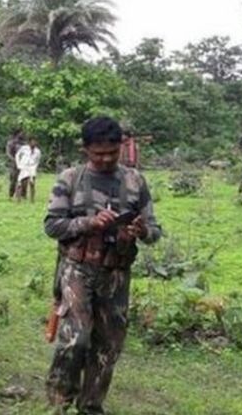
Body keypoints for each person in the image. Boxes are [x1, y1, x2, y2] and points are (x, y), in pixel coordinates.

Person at [44, 116, 162, 414]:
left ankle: (91, 405)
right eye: (99, 154)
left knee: (108, 345)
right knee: (76, 337)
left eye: (113, 152)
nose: (107, 159)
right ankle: (59, 400)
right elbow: (52, 225)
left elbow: (154, 230)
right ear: (86, 150)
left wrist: (141, 231)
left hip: (117, 272)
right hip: (78, 268)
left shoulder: (135, 181)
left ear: (121, 146)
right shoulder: (70, 179)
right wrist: (89, 223)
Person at [15, 138, 42, 203]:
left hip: (32, 167)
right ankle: (18, 199)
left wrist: (35, 167)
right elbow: (17, 155)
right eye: (32, 142)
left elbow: (38, 160)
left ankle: (32, 200)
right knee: (21, 183)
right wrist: (18, 164)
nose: (34, 143)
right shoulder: (24, 148)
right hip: (24, 166)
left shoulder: (38, 151)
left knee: (32, 183)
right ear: (29, 143)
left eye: (35, 142)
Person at [5, 129, 24, 199]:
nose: (23, 135)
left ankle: (21, 195)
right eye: (21, 133)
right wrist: (14, 160)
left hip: (22, 164)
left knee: (22, 179)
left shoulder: (23, 143)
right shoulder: (11, 143)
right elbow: (8, 153)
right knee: (13, 179)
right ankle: (11, 194)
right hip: (13, 164)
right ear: (17, 134)